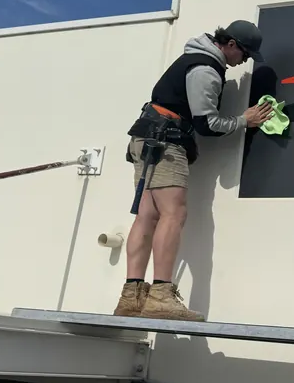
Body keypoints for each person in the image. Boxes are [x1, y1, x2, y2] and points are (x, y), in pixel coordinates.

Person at [112, 21, 275, 322]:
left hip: (147, 138)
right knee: (174, 214)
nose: (244, 61)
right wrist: (244, 120)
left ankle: (131, 298)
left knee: (147, 216)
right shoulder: (206, 69)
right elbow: (207, 124)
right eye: (245, 54)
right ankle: (160, 296)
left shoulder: (193, 59)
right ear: (231, 44)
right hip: (165, 142)